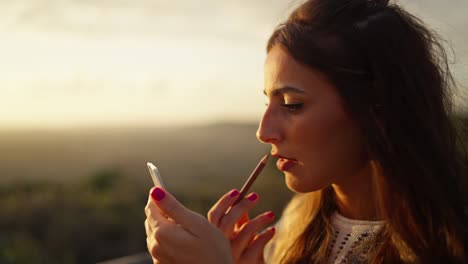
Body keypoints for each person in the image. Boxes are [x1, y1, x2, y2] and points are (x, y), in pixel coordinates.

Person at [144, 0, 468, 263]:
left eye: (291, 104)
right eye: (268, 102)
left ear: (377, 108)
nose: (263, 131)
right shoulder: (294, 227)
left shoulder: (448, 244)